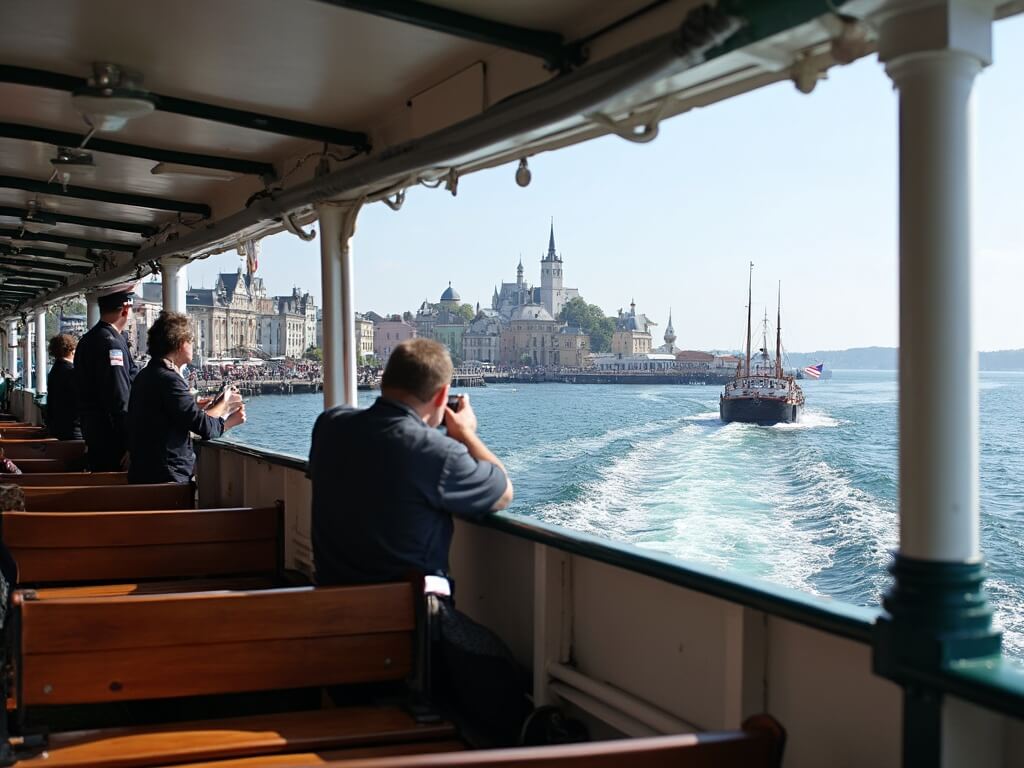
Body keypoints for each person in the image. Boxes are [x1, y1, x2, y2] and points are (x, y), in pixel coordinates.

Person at [309, 338, 523, 744]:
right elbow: (503, 490)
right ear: (442, 395)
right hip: (413, 639)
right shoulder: (437, 452)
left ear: (385, 381)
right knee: (504, 679)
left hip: (331, 624)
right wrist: (466, 435)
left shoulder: (329, 426)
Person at [127, 311, 245, 484]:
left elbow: (165, 417)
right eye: (191, 342)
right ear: (181, 343)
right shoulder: (169, 379)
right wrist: (226, 408)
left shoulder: (145, 375)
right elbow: (203, 426)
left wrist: (198, 407)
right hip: (167, 477)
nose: (193, 346)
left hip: (146, 472)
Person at [74, 287, 138, 471]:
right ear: (125, 309)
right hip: (112, 437)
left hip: (94, 432)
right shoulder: (112, 344)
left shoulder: (87, 340)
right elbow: (119, 396)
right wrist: (129, 442)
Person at [46, 334, 82, 440]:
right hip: (73, 428)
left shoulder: (54, 371)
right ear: (72, 350)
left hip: (57, 427)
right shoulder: (71, 372)